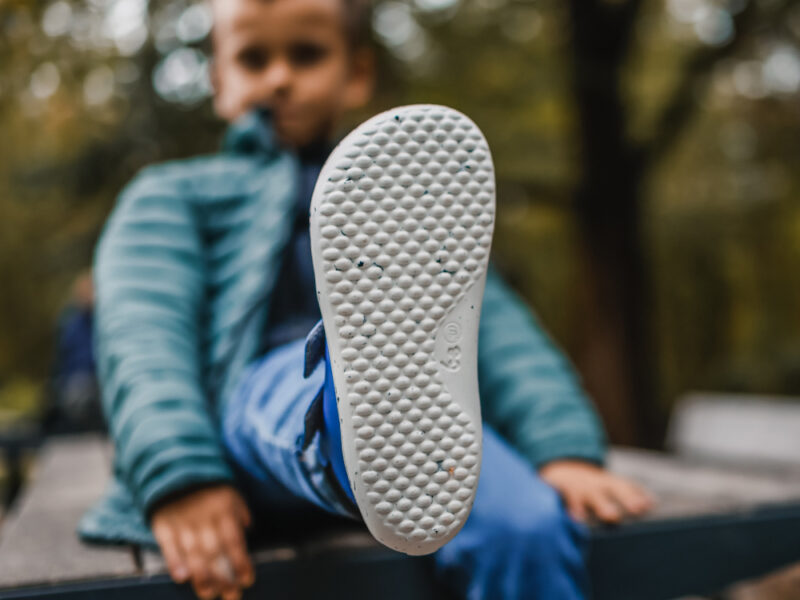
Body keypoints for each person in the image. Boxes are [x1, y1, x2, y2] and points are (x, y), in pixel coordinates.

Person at [79, 1, 653, 599]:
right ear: (220, 82)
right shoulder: (174, 197)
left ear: (356, 74)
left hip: (434, 453)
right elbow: (144, 337)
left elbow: (499, 334)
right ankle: (343, 430)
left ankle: (381, 434)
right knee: (287, 383)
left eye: (306, 54)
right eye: (254, 59)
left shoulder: (407, 199)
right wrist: (179, 474)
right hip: (245, 428)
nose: (280, 77)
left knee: (526, 523)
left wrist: (561, 447)